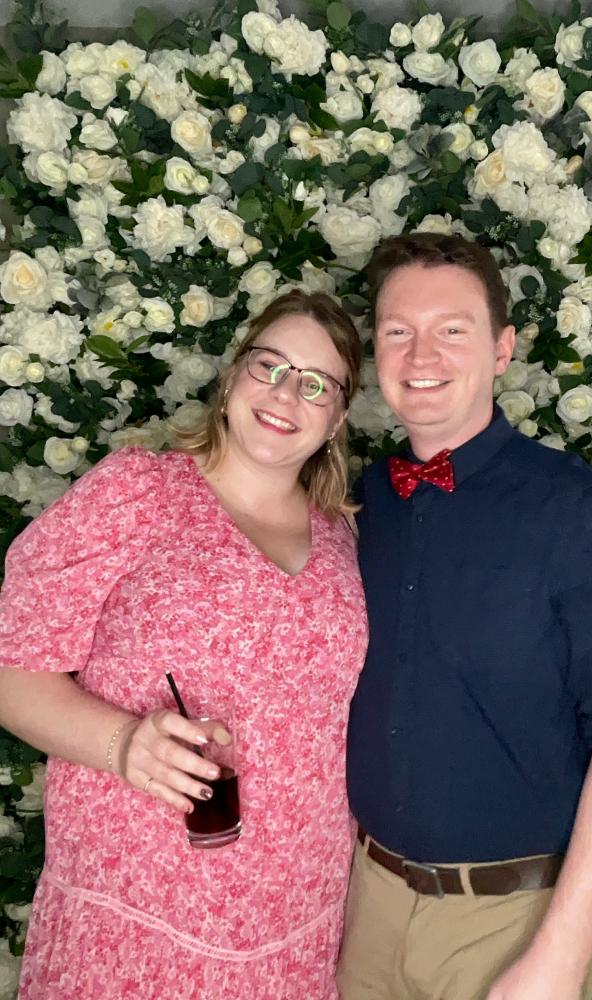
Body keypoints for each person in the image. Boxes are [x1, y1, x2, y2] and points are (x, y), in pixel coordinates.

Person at [337, 233, 592, 1000]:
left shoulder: (577, 510)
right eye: (398, 330)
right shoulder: (363, 501)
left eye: (452, 329)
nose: (422, 354)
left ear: (502, 349)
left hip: (510, 924)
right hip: (365, 904)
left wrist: (561, 953)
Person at [0, 290, 367, 999]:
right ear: (232, 377)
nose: (285, 394)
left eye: (316, 384)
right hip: (139, 915)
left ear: (338, 419)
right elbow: (11, 669)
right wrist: (122, 744)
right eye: (270, 365)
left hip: (298, 919)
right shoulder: (137, 492)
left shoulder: (342, 536)